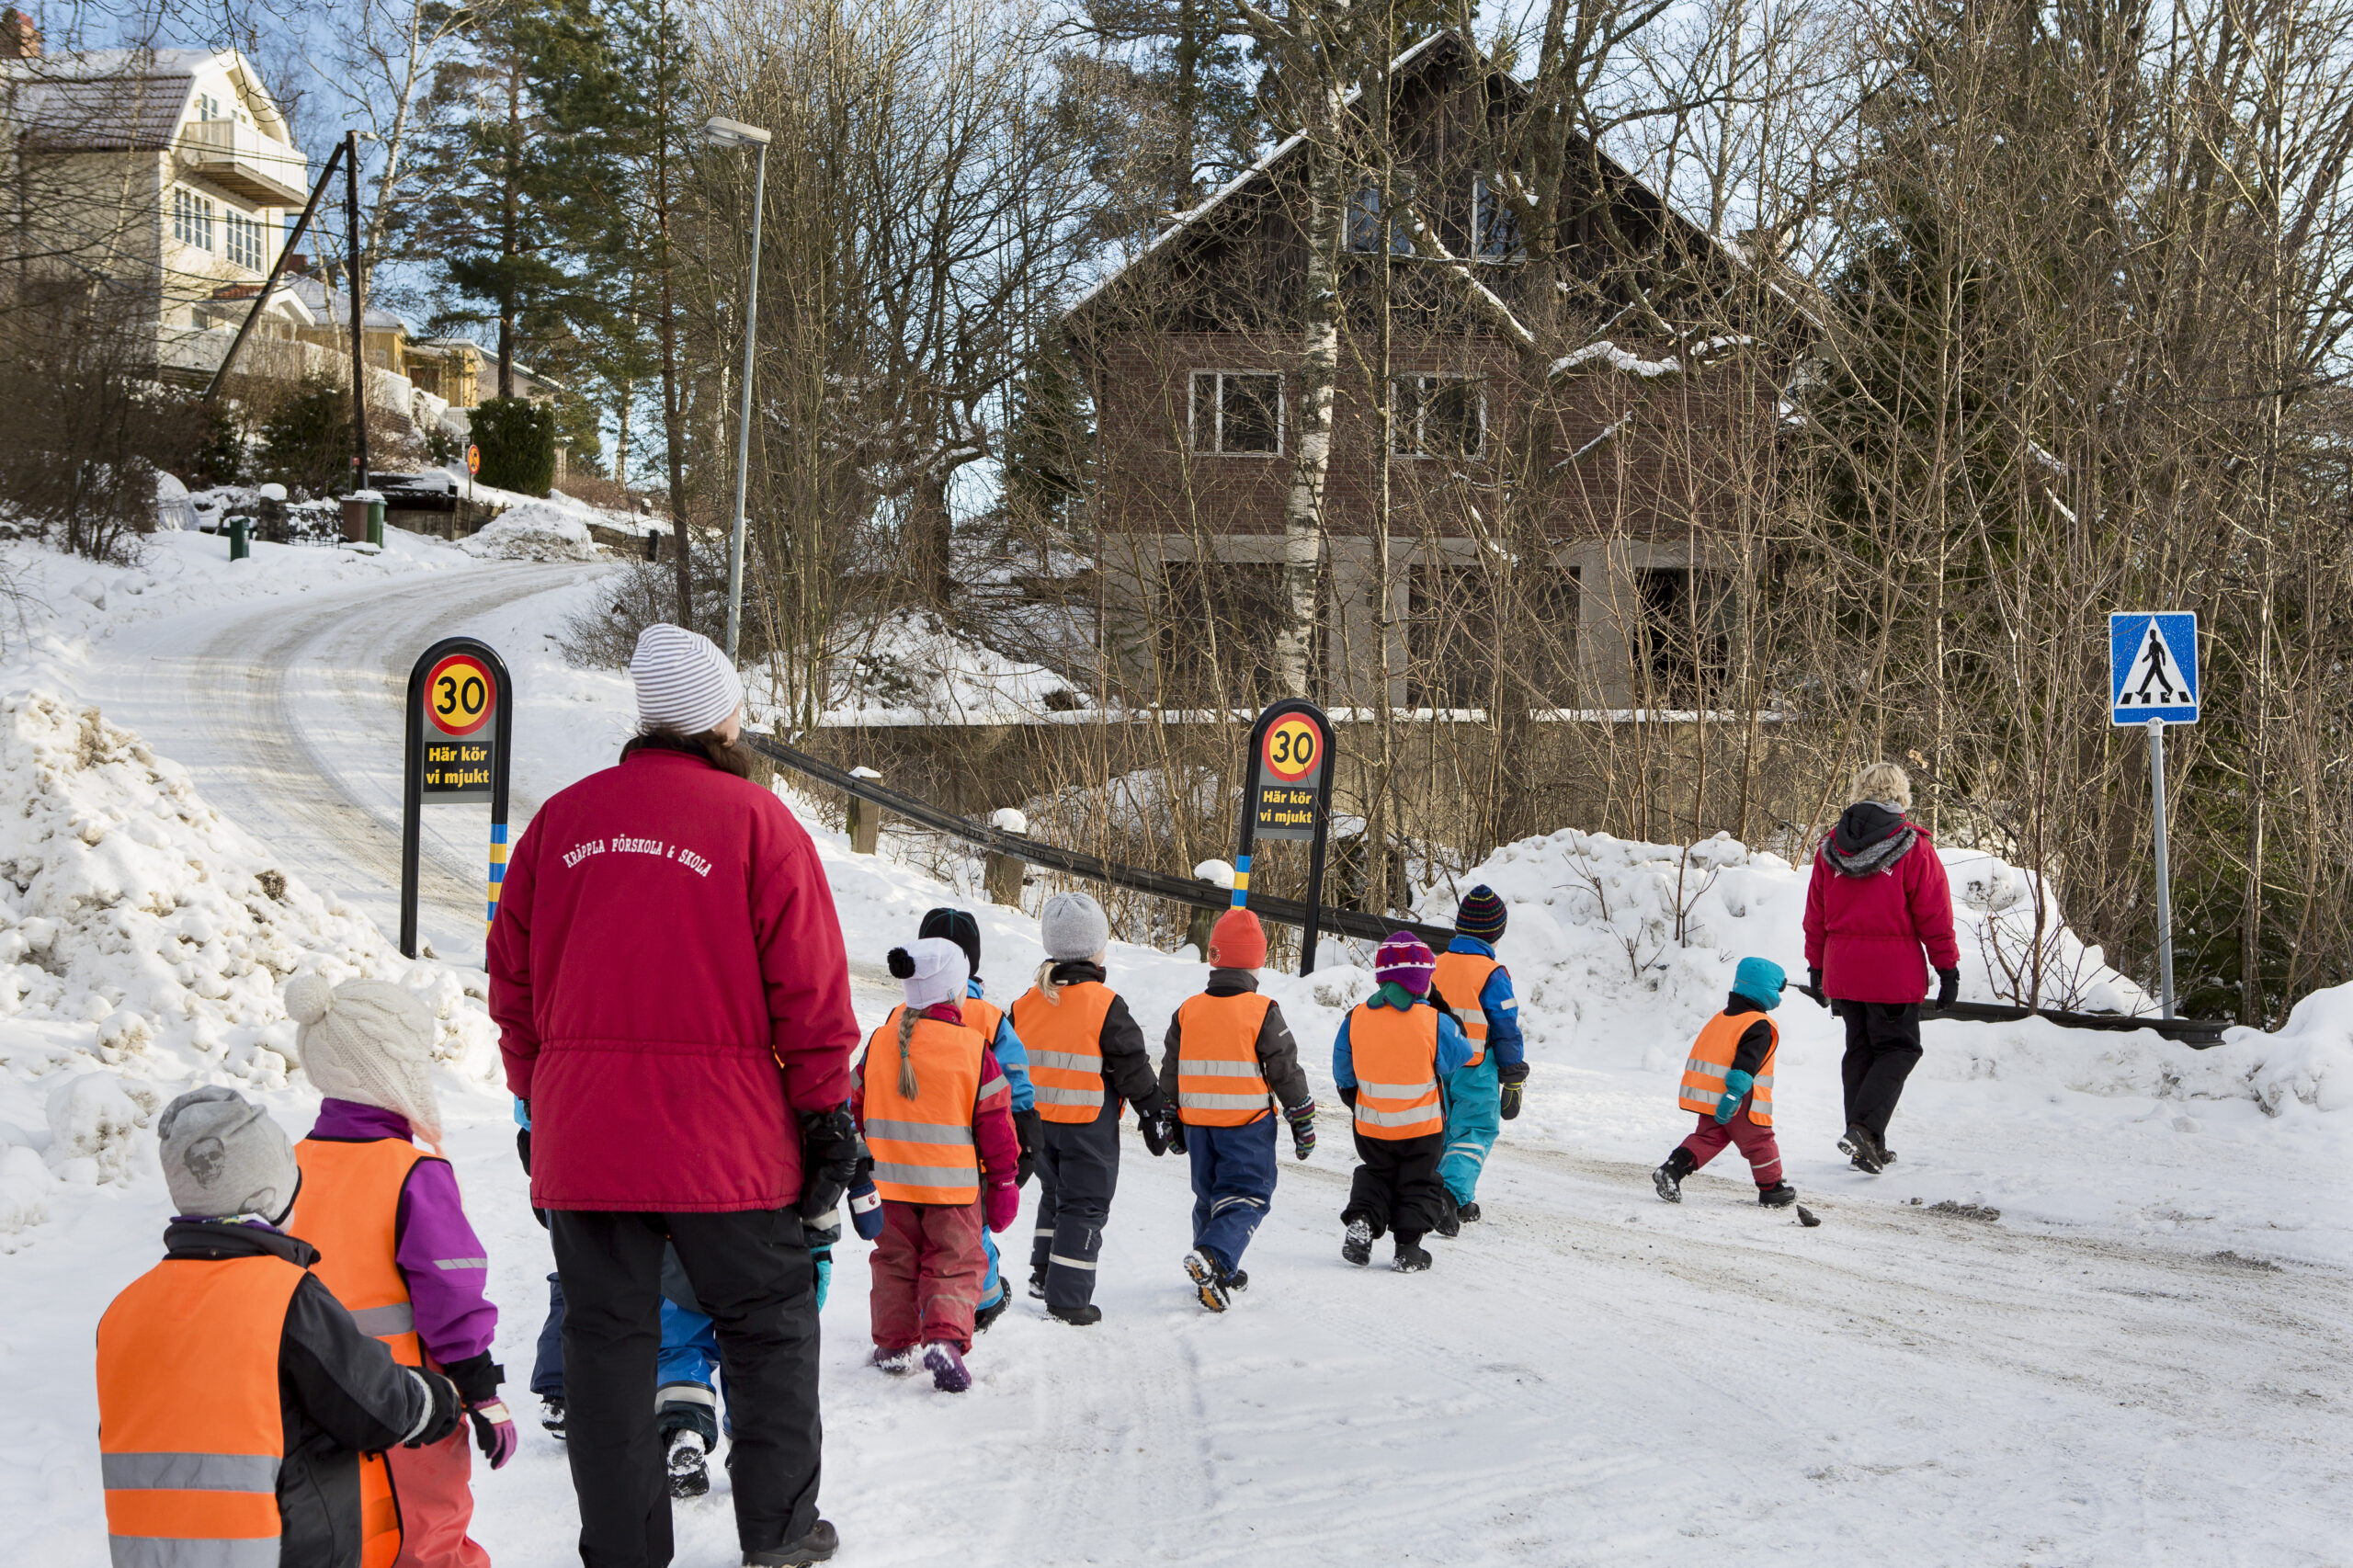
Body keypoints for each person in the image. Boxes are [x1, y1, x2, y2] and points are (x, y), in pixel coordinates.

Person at [489, 623, 860, 1568]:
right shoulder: (758, 826)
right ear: (723, 722)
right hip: (726, 1148)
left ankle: (622, 1549)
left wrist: (541, 1100)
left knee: (606, 1345)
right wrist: (825, 1116)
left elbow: (512, 987)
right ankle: (777, 1534)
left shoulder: (559, 824)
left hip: (588, 1143)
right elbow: (811, 991)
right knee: (767, 1327)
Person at [97, 1086, 461, 1568]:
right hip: (278, 1549)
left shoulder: (124, 1308)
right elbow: (375, 1408)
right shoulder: (288, 1295)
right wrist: (436, 1398)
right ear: (271, 1194)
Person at [283, 976, 515, 1568]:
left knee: (337, 1538)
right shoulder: (413, 1173)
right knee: (428, 1540)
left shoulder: (285, 1168)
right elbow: (451, 1296)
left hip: (298, 1402)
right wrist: (482, 1392)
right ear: (387, 1069)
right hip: (405, 1402)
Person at [856, 937, 1022, 1390]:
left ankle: (893, 1345)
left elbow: (852, 1105)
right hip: (953, 1191)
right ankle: (944, 1340)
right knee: (954, 1261)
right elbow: (997, 1125)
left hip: (887, 1188)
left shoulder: (880, 1042)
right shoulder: (973, 1050)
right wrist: (1005, 1182)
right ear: (955, 992)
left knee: (892, 1261)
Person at [1010, 892, 1168, 1325]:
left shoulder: (1027, 1002)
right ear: (1095, 950)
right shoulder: (1104, 1004)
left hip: (1039, 1127)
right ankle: (1068, 1299)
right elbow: (1132, 1065)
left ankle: (1044, 1273)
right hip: (1087, 1127)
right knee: (1084, 1205)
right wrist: (1154, 1111)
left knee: (1055, 1196)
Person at [1802, 761, 1961, 1175]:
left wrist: (1816, 967)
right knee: (1899, 1049)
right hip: (1892, 973)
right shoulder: (1913, 846)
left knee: (1861, 1051)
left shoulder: (1830, 846)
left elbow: (1815, 914)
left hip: (1845, 970)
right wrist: (1947, 969)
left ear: (1860, 790)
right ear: (1901, 795)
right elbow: (1935, 915)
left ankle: (1866, 1143)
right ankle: (1865, 1131)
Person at [1156, 909, 1316, 1312]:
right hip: (1246, 1126)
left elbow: (1170, 1070)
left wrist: (1170, 1117)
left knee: (1208, 1197)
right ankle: (1214, 1257)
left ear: (1214, 957)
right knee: (1248, 1195)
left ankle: (1213, 1269)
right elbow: (1285, 1069)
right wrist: (1302, 1117)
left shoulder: (1187, 1011)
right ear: (1257, 962)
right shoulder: (1262, 1011)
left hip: (1197, 1126)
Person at [912, 907, 1040, 1334]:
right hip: (970, 1152)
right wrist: (1025, 1131)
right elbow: (1015, 1081)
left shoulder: (905, 1015)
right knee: (971, 1228)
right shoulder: (989, 1018)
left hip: (908, 1148)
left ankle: (922, 1304)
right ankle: (984, 1299)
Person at [1333, 933, 1474, 1273]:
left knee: (1377, 1173)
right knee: (1419, 1180)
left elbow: (1342, 1070)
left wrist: (1356, 1100)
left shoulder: (1357, 1017)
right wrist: (1440, 1008)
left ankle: (1364, 1217)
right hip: (1422, 1126)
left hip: (1372, 1123)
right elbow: (1460, 1054)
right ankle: (1408, 1249)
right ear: (1423, 982)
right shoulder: (1433, 1021)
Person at [1652, 958, 1798, 1208]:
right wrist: (1734, 1094)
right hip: (1741, 1097)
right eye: (1777, 989)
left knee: (1710, 1137)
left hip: (1713, 1095)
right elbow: (1746, 1064)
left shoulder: (1723, 1017)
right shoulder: (1758, 1024)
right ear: (1765, 990)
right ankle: (1772, 1189)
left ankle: (1672, 1170)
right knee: (1759, 1140)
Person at [1428, 887, 1529, 1233]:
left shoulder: (1434, 965)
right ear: (1496, 934)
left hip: (1434, 1068)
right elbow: (1505, 1027)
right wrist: (1513, 1074)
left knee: (1440, 1130)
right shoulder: (1492, 974)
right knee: (1474, 1130)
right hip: (1476, 1066)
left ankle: (1448, 1191)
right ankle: (1448, 1196)